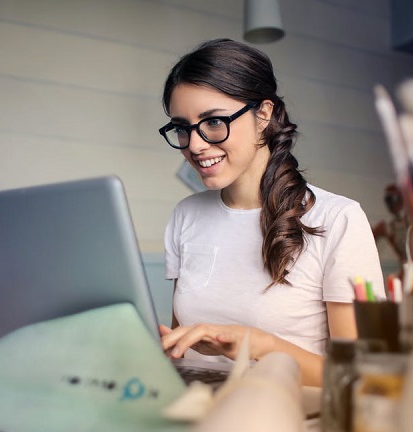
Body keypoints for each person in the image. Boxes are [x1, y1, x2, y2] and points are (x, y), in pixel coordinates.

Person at [157, 39, 384, 386]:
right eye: (182, 128)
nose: (195, 145)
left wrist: (260, 345)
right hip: (198, 409)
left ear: (263, 114)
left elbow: (358, 376)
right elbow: (180, 345)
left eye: (214, 122)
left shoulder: (338, 219)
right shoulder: (186, 215)